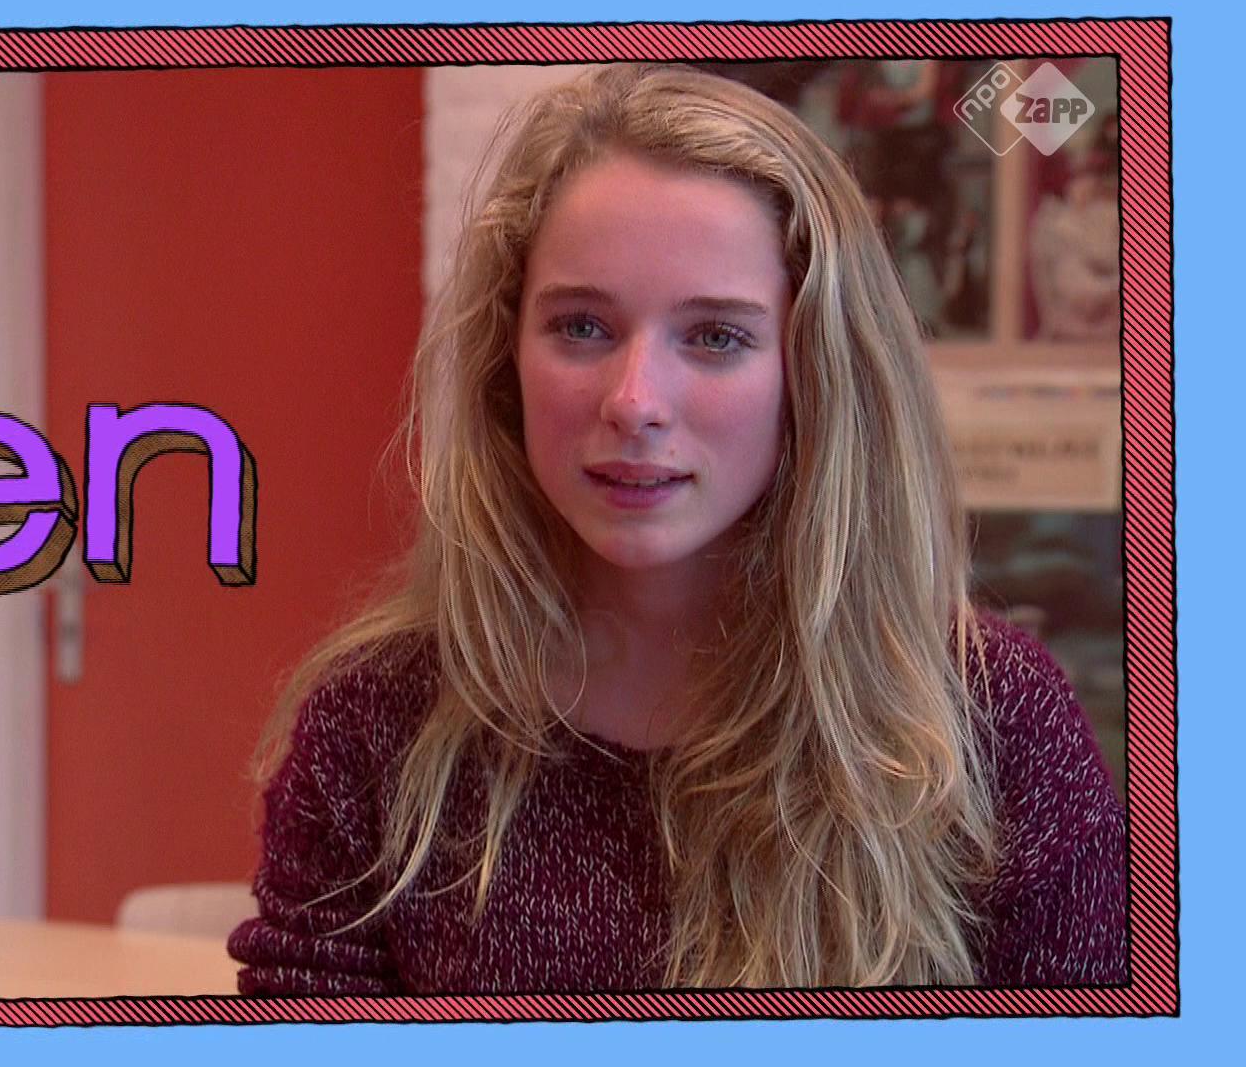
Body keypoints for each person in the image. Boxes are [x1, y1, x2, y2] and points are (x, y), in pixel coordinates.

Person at [227, 63, 1128, 992]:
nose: (634, 401)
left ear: (815, 373)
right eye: (582, 327)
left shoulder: (991, 725)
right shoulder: (378, 723)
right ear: (507, 357)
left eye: (715, 337)